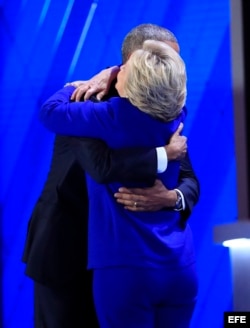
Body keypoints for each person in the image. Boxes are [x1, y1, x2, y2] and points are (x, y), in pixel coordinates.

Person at [22, 24, 199, 328]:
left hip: (131, 264)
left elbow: (190, 181)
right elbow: (102, 166)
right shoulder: (86, 100)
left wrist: (171, 197)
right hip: (67, 253)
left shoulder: (165, 110)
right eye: (164, 60)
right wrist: (162, 156)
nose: (172, 73)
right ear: (132, 61)